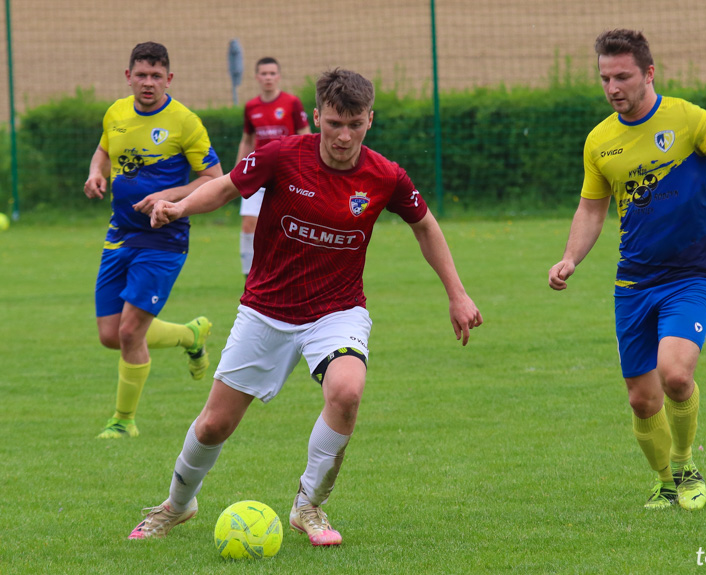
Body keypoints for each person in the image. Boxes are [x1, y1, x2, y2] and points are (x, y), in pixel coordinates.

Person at [127, 68, 483, 546]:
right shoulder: (282, 156)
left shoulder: (385, 175)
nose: (344, 135)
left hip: (336, 311)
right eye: (334, 123)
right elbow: (227, 187)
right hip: (265, 309)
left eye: (355, 123)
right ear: (316, 117)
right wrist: (180, 207)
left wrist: (457, 293)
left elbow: (425, 225)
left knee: (347, 392)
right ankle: (176, 503)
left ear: (370, 119)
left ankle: (308, 505)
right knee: (215, 424)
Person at [548, 29, 706, 511]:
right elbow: (591, 210)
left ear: (648, 73)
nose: (612, 87)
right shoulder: (600, 141)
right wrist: (570, 257)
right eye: (604, 78)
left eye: (622, 76)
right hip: (633, 283)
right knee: (642, 400)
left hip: (690, 275)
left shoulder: (688, 120)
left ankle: (686, 462)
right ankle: (665, 481)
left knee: (676, 376)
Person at [83, 42, 223, 439]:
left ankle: (123, 422)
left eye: (156, 76)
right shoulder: (116, 112)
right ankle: (189, 335)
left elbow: (214, 179)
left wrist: (171, 197)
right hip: (120, 234)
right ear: (128, 76)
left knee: (130, 333)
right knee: (111, 335)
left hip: (164, 238)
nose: (148, 83)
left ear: (169, 79)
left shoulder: (184, 121)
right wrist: (97, 172)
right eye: (141, 75)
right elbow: (103, 151)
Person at [236, 57, 311, 276]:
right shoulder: (251, 107)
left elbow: (305, 137)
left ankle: (289, 273)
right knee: (249, 224)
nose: (268, 77)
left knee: (287, 227)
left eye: (272, 73)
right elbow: (247, 141)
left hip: (287, 176)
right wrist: (237, 172)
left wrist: (305, 170)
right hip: (258, 175)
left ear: (278, 76)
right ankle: (249, 275)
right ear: (257, 77)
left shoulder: (292, 103)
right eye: (264, 73)